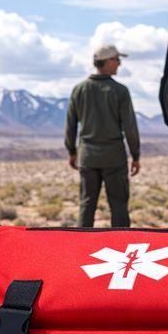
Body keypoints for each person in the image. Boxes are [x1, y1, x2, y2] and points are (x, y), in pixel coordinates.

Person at [65, 44, 141, 227]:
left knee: (86, 204)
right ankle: (121, 245)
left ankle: (82, 246)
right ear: (106, 62)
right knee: (119, 205)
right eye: (116, 60)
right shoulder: (120, 91)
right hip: (114, 157)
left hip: (88, 156)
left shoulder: (79, 89)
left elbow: (70, 125)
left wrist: (72, 151)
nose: (119, 64)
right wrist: (135, 155)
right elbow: (130, 127)